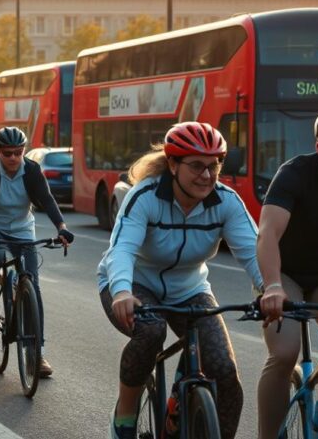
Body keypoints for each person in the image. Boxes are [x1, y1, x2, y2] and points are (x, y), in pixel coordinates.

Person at [98, 122, 262, 439]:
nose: (207, 175)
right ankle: (124, 418)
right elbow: (122, 250)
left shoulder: (225, 201)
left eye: (214, 165)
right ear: (173, 164)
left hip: (190, 290)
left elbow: (253, 253)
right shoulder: (144, 196)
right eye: (197, 166)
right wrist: (121, 292)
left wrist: (269, 289)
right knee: (151, 331)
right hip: (133, 284)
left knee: (225, 372)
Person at [256, 105, 318, 438]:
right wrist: (273, 286)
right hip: (287, 274)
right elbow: (268, 234)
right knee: (283, 354)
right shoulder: (294, 174)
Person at [0, 127, 74, 378]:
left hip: (23, 228)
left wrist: (61, 227)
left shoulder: (32, 170)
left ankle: (36, 354)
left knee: (32, 285)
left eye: (18, 152)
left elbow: (47, 201)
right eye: (8, 153)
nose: (14, 158)